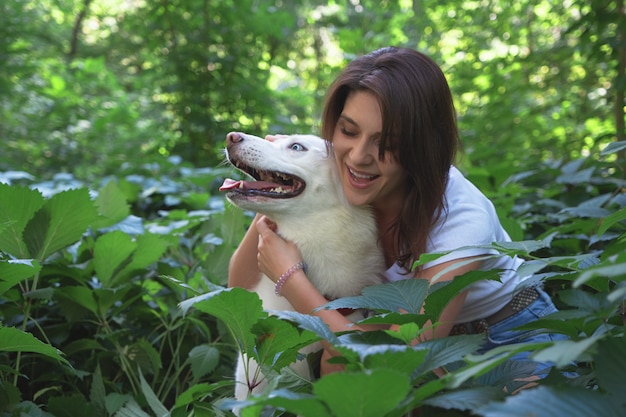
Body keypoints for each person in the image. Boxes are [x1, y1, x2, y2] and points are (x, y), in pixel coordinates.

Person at [227, 46, 566, 378]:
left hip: (510, 337)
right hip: (394, 330)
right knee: (340, 366)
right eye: (348, 130)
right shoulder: (341, 179)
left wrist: (291, 280)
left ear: (423, 146)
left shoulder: (462, 221)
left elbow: (398, 363)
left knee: (351, 366)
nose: (359, 156)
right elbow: (241, 291)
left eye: (386, 142)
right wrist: (276, 185)